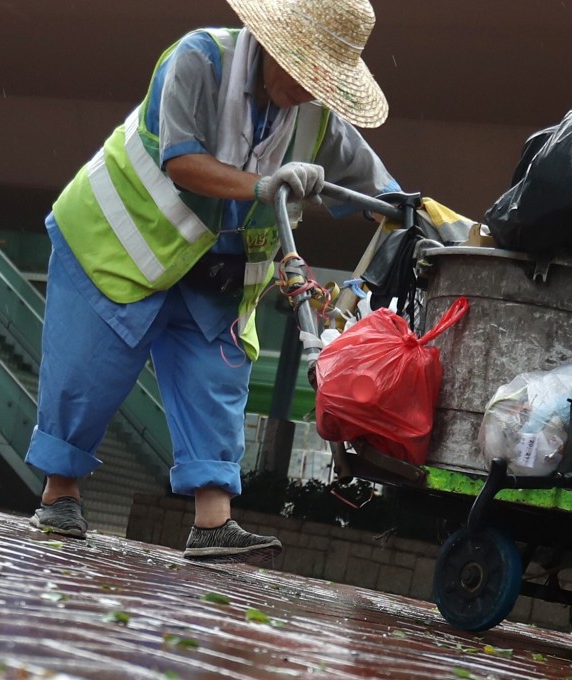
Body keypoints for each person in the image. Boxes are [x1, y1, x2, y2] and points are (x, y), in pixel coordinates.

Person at [23, 0, 400, 562]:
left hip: (213, 271)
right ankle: (61, 495)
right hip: (115, 243)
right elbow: (182, 161)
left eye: (323, 79)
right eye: (306, 71)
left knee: (215, 377)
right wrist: (264, 185)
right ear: (275, 46)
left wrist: (421, 221)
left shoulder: (318, 116)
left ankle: (213, 521)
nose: (309, 88)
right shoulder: (198, 58)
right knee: (88, 368)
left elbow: (385, 194)